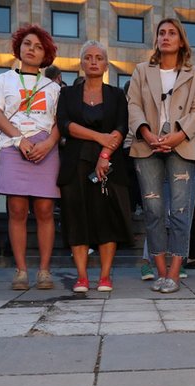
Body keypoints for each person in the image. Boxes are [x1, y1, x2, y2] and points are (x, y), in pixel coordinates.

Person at [127, 18, 195, 294]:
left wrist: (178, 136)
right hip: (146, 145)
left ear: (181, 40)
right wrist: (147, 134)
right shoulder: (140, 71)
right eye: (161, 33)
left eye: (172, 33)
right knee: (153, 210)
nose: (166, 37)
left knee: (181, 211)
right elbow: (133, 104)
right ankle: (160, 272)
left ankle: (174, 273)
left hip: (181, 146)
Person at [57, 40, 133, 292]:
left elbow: (122, 127)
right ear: (81, 63)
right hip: (74, 163)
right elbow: (65, 124)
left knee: (106, 218)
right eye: (88, 57)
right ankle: (81, 276)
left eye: (98, 57)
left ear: (106, 64)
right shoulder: (67, 94)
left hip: (109, 165)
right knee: (76, 218)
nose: (93, 61)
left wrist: (105, 153)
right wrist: (99, 137)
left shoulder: (116, 94)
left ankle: (105, 276)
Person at [0, 24, 61, 291]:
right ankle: (21, 271)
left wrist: (50, 143)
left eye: (39, 46)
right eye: (28, 44)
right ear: (19, 47)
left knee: (45, 210)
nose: (32, 49)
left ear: (46, 55)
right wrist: (19, 139)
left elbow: (58, 121)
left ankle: (44, 270)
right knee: (16, 210)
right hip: (13, 145)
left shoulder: (52, 86)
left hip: (45, 148)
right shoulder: (2, 80)